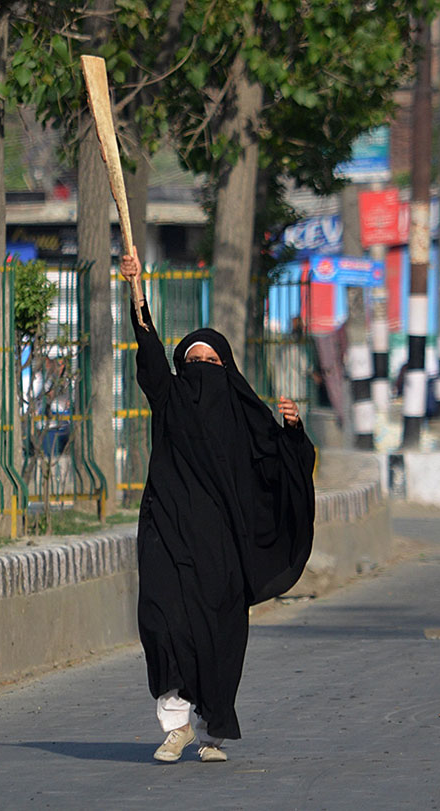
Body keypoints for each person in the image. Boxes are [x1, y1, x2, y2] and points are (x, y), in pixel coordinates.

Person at [120, 250, 317, 765]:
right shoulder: (169, 400)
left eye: (213, 363)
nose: (202, 370)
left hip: (221, 544)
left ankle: (212, 732)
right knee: (162, 622)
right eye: (193, 362)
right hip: (165, 529)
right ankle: (175, 726)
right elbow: (148, 349)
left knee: (217, 631)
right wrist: (136, 291)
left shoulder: (244, 419)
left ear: (227, 370)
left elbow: (280, 470)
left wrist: (293, 433)